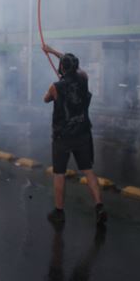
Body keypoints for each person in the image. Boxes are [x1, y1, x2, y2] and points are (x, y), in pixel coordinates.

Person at [42, 43, 107, 227]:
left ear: (62, 67)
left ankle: (59, 212)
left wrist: (52, 55)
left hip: (63, 136)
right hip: (83, 132)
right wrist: (53, 51)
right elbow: (72, 64)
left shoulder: (55, 87)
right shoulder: (83, 77)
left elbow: (46, 99)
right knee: (88, 171)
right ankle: (99, 207)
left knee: (59, 174)